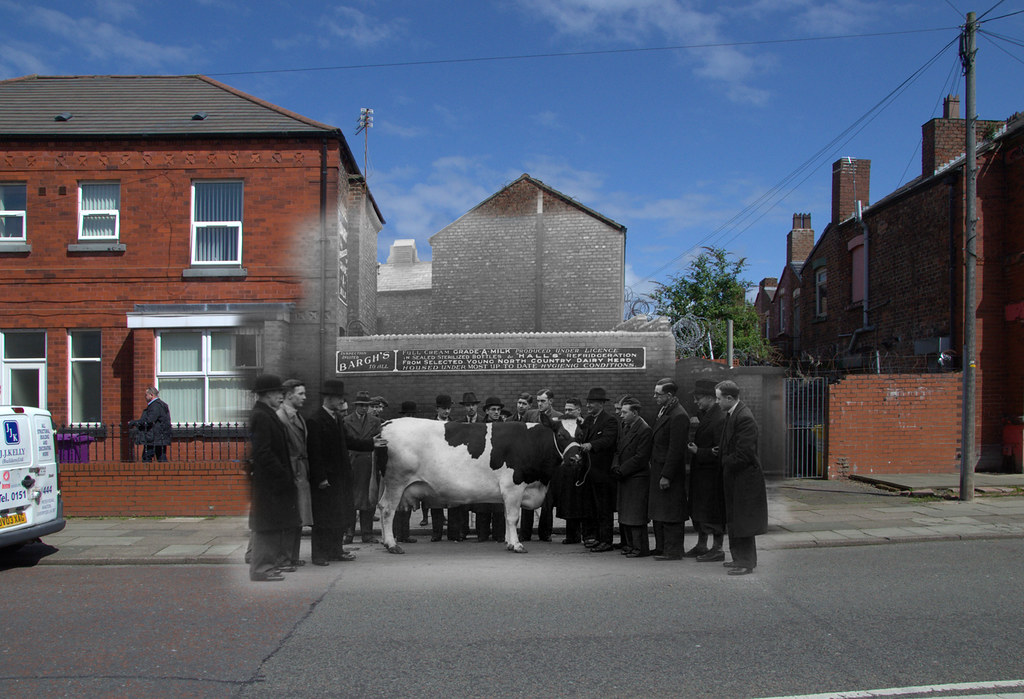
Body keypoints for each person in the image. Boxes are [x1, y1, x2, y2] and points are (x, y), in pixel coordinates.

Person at [306, 379, 368, 566]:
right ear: (329, 398)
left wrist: (372, 443)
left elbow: (349, 442)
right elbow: (314, 452)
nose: (342, 402)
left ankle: (336, 550)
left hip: (340, 478)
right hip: (326, 480)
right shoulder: (315, 420)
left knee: (339, 516)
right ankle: (319, 555)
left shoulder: (336, 418)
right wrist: (321, 478)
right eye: (339, 398)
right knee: (323, 519)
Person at [713, 380, 769, 576]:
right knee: (735, 519)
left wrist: (724, 460)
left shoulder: (743, 417)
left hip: (744, 480)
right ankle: (738, 558)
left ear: (729, 398)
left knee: (743, 521)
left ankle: (746, 562)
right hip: (735, 477)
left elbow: (744, 454)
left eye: (719, 398)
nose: (717, 402)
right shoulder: (733, 413)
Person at [247, 374, 299, 582]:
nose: (281, 396)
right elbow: (263, 452)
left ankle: (268, 566)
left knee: (272, 525)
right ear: (267, 394)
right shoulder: (261, 416)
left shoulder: (267, 414)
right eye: (279, 393)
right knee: (266, 526)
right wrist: (282, 475)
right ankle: (261, 569)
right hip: (269, 483)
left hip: (272, 482)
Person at [648, 378, 690, 561]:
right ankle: (662, 547)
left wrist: (666, 475)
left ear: (669, 395)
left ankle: (673, 551)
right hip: (659, 467)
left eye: (658, 394)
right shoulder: (666, 410)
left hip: (668, 472)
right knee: (661, 510)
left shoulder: (679, 415)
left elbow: (676, 450)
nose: (654, 397)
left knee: (671, 511)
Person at [686, 379, 728, 562]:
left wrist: (699, 451)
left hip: (712, 476)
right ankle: (702, 545)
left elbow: (720, 450)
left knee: (713, 513)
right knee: (700, 511)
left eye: (698, 398)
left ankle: (717, 549)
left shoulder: (718, 418)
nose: (696, 401)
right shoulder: (707, 414)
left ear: (711, 398)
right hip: (702, 474)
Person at [276, 378, 312, 568]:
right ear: (289, 395)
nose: (304, 397)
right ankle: (283, 559)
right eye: (301, 394)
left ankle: (293, 556)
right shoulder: (280, 417)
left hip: (300, 471)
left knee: (298, 516)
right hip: (290, 472)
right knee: (288, 517)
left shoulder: (296, 416)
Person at [578, 387, 618, 552]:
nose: (588, 405)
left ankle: (606, 540)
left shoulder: (610, 421)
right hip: (588, 472)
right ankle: (593, 537)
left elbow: (608, 440)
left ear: (601, 404)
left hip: (602, 472)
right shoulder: (588, 420)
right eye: (588, 402)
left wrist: (591, 445)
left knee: (604, 508)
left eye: (592, 403)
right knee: (591, 507)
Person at [612, 397, 652, 557]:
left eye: (624, 412)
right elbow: (618, 449)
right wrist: (615, 466)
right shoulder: (626, 426)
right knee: (626, 513)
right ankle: (629, 544)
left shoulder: (644, 429)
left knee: (636, 515)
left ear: (634, 413)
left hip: (636, 477)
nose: (621, 415)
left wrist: (622, 470)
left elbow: (641, 457)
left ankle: (640, 548)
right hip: (625, 475)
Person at [521, 388, 561, 542]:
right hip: (531, 463)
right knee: (526, 496)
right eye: (538, 401)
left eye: (543, 401)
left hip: (548, 464)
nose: (540, 404)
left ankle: (545, 533)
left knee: (546, 499)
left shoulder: (558, 417)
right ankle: (525, 533)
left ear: (551, 401)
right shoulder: (530, 415)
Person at [343, 391, 382, 544]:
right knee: (351, 500)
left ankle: (367, 533)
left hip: (369, 464)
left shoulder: (375, 421)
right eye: (361, 406)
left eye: (367, 406)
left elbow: (379, 441)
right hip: (352, 463)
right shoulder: (346, 421)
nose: (364, 409)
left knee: (369, 499)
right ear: (356, 406)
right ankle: (349, 532)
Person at [553, 397, 585, 545]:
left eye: (570, 410)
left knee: (580, 502)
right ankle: (571, 534)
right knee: (568, 501)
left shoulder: (583, 424)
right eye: (565, 409)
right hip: (566, 468)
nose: (567, 412)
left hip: (581, 467)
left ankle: (583, 534)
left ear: (579, 410)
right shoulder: (564, 425)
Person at [474, 396, 507, 543]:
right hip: (483, 468)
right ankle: (482, 533)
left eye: (498, 410)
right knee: (483, 502)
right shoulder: (479, 426)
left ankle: (499, 534)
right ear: (487, 411)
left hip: (499, 467)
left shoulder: (505, 427)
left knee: (499, 503)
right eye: (493, 409)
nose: (496, 412)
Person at [390, 401, 418, 545]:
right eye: (408, 414)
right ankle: (394, 533)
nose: (410, 417)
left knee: (406, 505)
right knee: (394, 502)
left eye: (412, 415)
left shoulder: (415, 430)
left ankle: (404, 534)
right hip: (398, 466)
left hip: (411, 467)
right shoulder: (398, 430)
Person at [429, 394, 454, 542]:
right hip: (435, 465)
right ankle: (436, 532)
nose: (446, 411)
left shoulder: (455, 424)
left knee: (453, 499)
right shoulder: (429, 425)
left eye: (449, 408)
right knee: (435, 500)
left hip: (451, 465)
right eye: (444, 408)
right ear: (437, 408)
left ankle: (453, 533)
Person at [133, 386, 171, 462]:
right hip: (160, 437)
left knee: (146, 458)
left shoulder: (155, 406)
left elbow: (149, 420)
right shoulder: (161, 405)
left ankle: (147, 473)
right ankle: (166, 473)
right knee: (161, 457)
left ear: (151, 395)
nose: (145, 397)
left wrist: (135, 422)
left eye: (146, 395)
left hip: (153, 438)